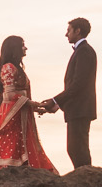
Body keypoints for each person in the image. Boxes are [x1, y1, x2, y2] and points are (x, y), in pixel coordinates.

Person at [0, 35, 57, 175]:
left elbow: (19, 96)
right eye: (23, 45)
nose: (25, 47)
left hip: (20, 114)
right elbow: (9, 95)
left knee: (22, 146)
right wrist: (32, 103)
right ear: (14, 48)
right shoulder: (8, 68)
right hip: (12, 118)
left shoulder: (17, 68)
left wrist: (35, 107)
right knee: (12, 147)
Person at [38, 18, 97, 168]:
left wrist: (55, 101)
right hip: (78, 108)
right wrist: (58, 104)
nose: (66, 34)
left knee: (77, 149)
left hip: (81, 109)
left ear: (78, 31)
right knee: (75, 149)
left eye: (68, 30)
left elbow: (78, 84)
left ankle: (86, 182)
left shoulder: (84, 51)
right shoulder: (83, 51)